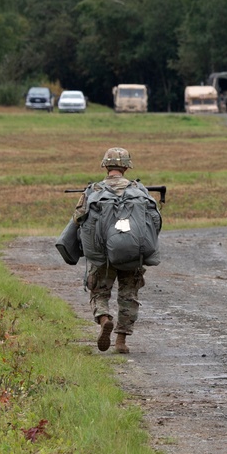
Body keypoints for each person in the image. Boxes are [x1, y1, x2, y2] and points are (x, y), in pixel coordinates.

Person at [73, 147, 158, 354]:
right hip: (132, 253)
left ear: (106, 165)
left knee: (99, 292)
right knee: (129, 296)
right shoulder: (139, 190)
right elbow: (154, 220)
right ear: (126, 167)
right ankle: (121, 341)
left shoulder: (94, 190)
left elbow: (78, 218)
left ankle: (104, 318)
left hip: (102, 257)